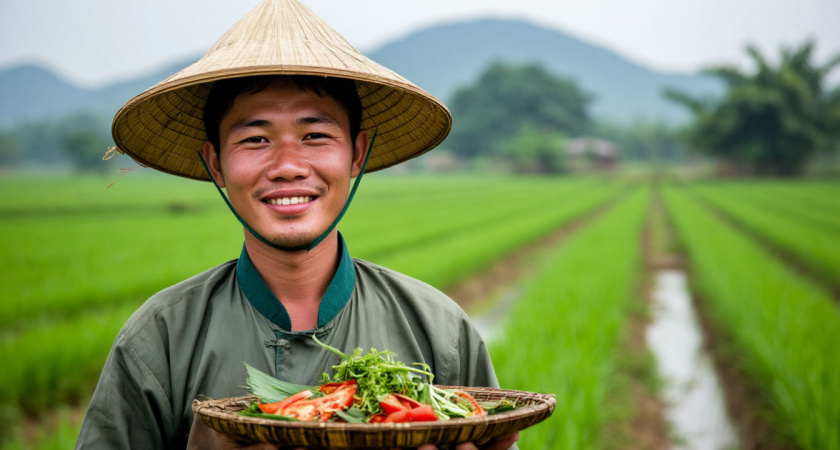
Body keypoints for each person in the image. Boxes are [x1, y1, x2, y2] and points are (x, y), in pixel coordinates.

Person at [75, 1, 518, 449]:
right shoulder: (162, 336)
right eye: (255, 139)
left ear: (356, 155)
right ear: (216, 163)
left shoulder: (438, 329)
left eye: (315, 136)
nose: (288, 166)